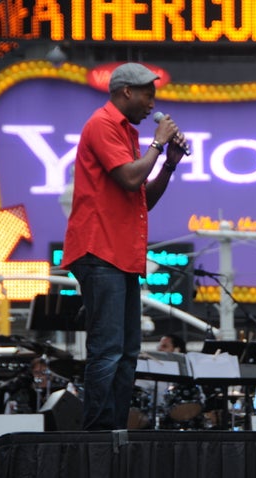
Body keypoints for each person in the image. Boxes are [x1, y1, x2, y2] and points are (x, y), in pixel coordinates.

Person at [62, 62, 189, 431]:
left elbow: (141, 200)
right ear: (126, 92)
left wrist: (168, 164)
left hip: (120, 255)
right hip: (99, 251)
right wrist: (158, 142)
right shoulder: (102, 124)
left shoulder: (127, 135)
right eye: (148, 94)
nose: (153, 103)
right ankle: (98, 435)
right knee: (108, 351)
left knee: (127, 352)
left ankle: (116, 431)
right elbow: (132, 178)